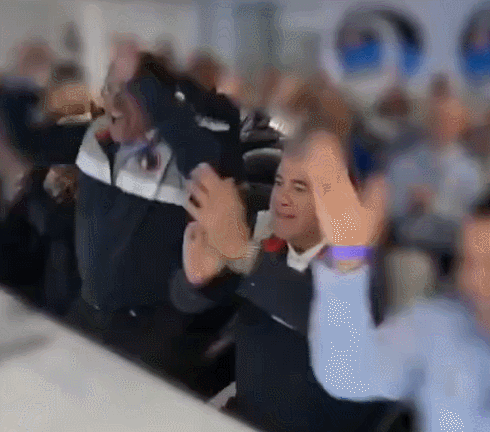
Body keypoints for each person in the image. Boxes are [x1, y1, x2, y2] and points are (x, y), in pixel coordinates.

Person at [169, 95, 404, 431]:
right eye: (279, 182)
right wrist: (196, 281)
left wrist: (243, 255)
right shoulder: (265, 240)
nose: (281, 197)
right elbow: (186, 299)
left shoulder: (362, 268)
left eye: (300, 188)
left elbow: (315, 312)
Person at [312, 184, 490, 431]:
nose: (475, 281)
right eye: (469, 262)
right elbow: (348, 374)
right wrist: (348, 257)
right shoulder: (439, 325)